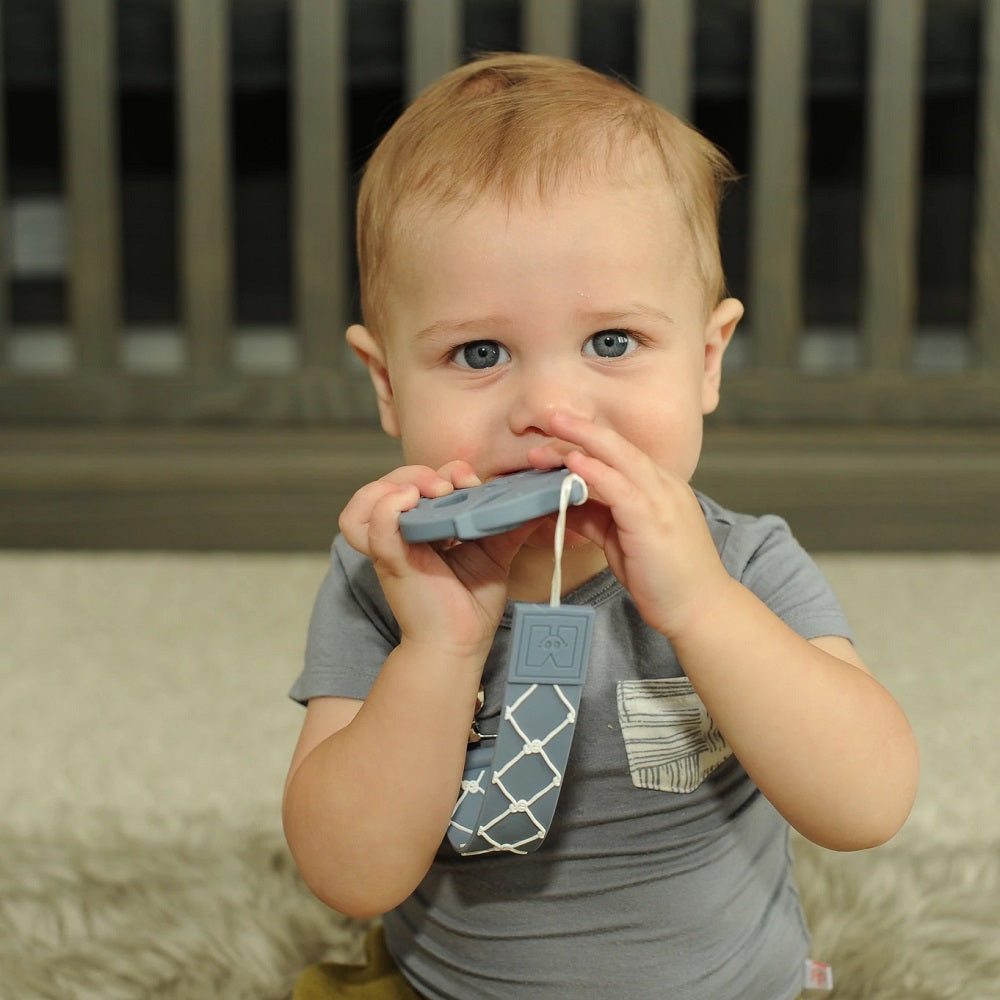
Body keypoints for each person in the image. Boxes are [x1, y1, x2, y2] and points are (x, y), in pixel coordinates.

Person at [282, 52, 919, 1000]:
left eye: (611, 342)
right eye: (480, 351)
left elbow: (868, 804)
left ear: (707, 361)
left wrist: (703, 608)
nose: (548, 403)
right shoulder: (390, 578)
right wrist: (440, 652)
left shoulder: (743, 563)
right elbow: (350, 872)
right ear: (387, 385)